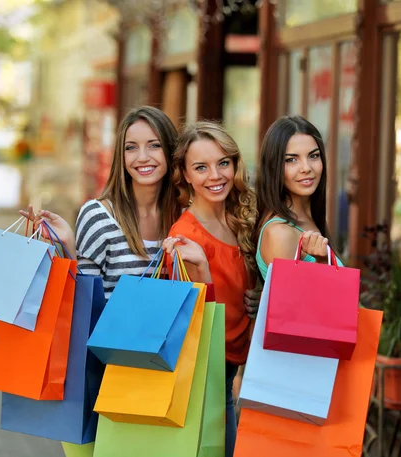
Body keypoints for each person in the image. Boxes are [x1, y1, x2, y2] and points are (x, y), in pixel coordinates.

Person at [161, 121, 260, 457]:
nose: (215, 176)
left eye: (223, 163)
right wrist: (203, 269)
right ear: (185, 175)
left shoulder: (239, 219)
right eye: (201, 167)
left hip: (235, 369)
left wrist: (257, 297)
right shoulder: (185, 236)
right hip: (207, 377)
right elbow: (193, 325)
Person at [20, 105, 180, 297]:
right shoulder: (99, 216)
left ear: (171, 151)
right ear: (121, 156)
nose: (143, 157)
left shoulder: (183, 218)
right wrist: (68, 244)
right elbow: (84, 301)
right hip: (108, 327)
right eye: (131, 148)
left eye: (155, 145)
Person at [255, 115, 343, 283]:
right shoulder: (280, 233)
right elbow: (288, 306)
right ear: (274, 167)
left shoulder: (307, 217)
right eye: (291, 160)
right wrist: (323, 264)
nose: (306, 168)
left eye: (314, 156)